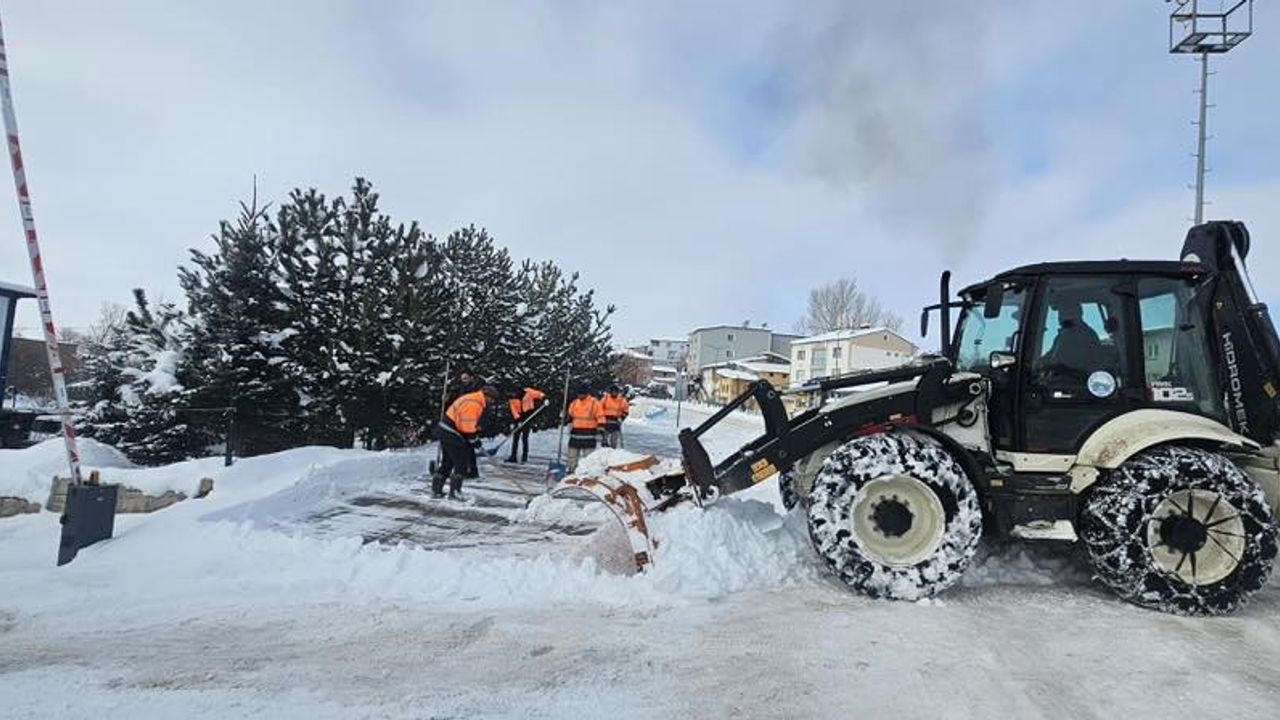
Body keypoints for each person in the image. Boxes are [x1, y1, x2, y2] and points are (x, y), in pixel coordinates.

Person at [432, 384, 499, 499]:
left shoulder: (472, 398)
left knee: (447, 463)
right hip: (451, 433)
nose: (491, 403)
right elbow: (467, 427)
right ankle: (455, 493)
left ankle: (436, 490)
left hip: (445, 431)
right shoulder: (474, 404)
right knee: (461, 464)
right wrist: (474, 440)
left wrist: (473, 437)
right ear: (487, 396)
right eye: (492, 400)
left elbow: (465, 424)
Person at [564, 384, 606, 473]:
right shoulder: (574, 403)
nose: (580, 396)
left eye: (582, 394)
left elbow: (600, 417)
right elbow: (570, 416)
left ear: (587, 393)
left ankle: (587, 472)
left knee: (588, 456)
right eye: (579, 394)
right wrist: (567, 421)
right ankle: (571, 470)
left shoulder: (594, 403)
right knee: (572, 454)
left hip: (589, 434)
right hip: (575, 434)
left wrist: (600, 430)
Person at [506, 385, 547, 463]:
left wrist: (544, 398)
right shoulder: (512, 399)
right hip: (519, 418)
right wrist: (518, 420)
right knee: (516, 438)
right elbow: (514, 411)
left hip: (528, 417)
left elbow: (539, 394)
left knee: (525, 438)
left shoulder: (529, 392)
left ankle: (524, 457)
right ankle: (513, 457)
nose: (515, 395)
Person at [601, 384, 631, 449]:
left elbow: (626, 410)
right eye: (612, 391)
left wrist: (622, 418)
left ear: (617, 392)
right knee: (604, 437)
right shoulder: (605, 399)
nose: (614, 393)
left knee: (614, 438)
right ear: (610, 392)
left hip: (616, 421)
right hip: (606, 421)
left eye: (615, 392)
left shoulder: (621, 400)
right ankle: (604, 448)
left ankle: (613, 450)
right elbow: (599, 409)